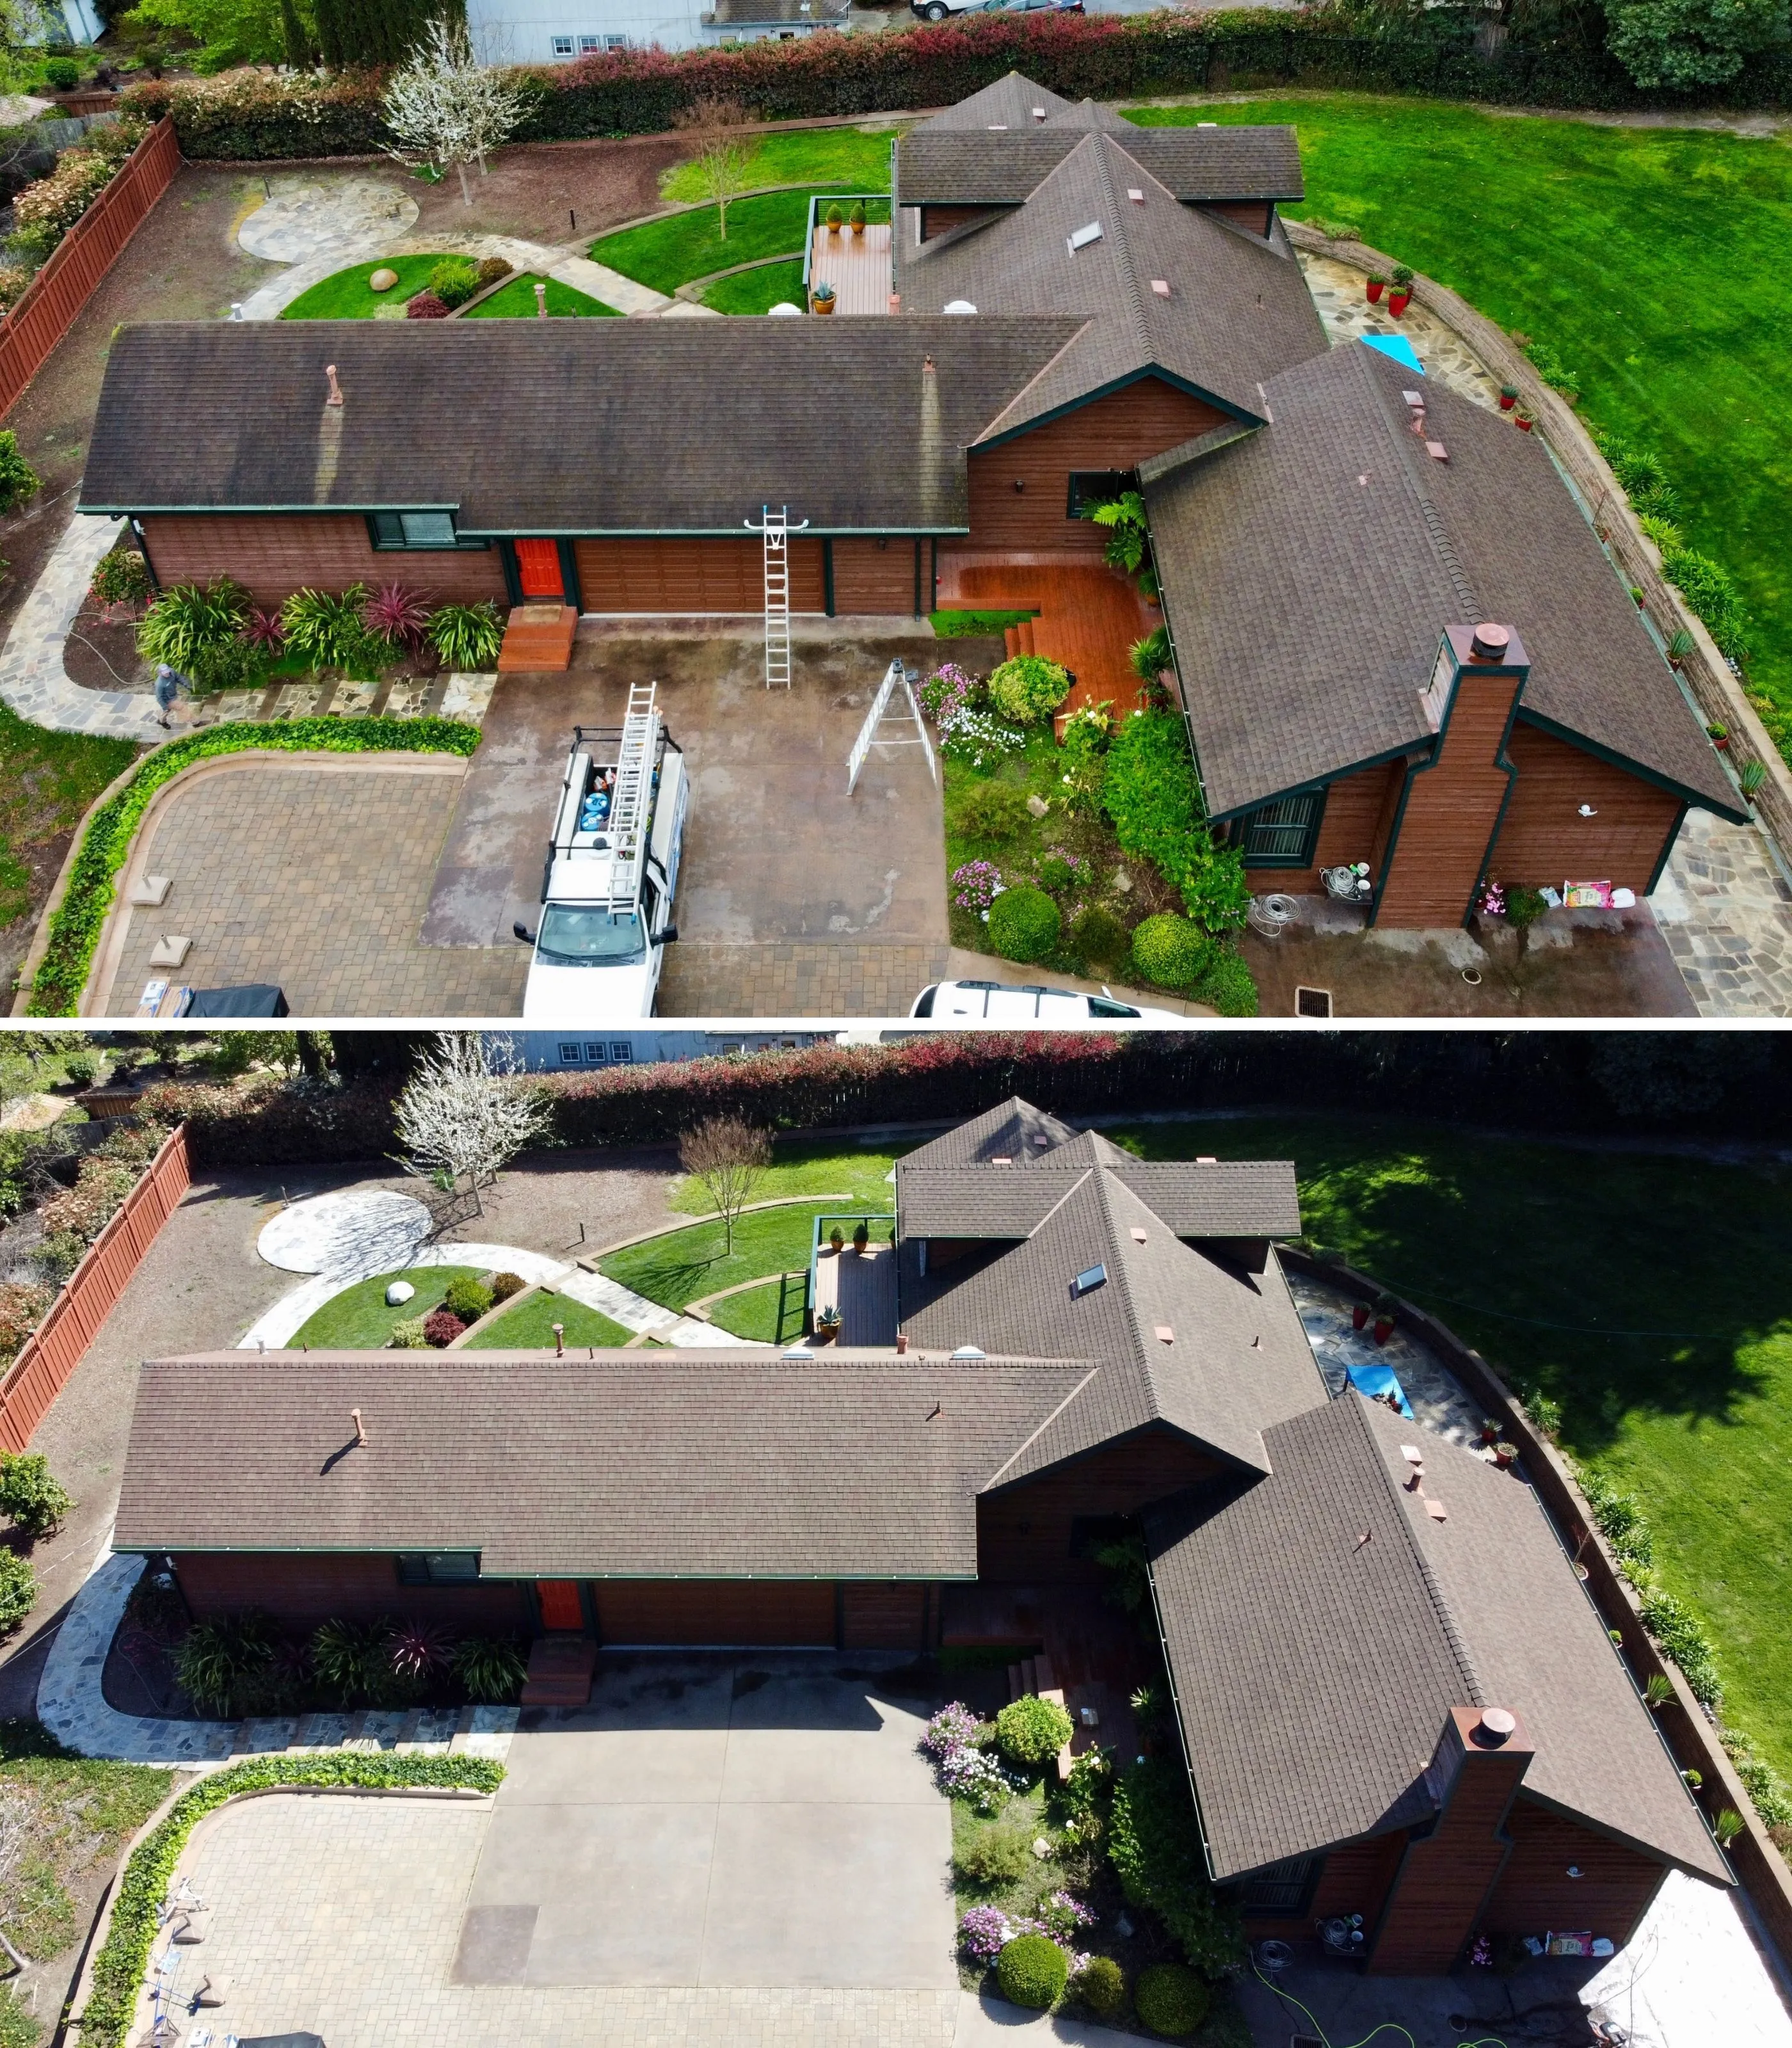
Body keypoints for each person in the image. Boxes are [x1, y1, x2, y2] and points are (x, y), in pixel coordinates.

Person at [153, 663, 189, 730]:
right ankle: (195, 722)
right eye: (165, 673)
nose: (167, 674)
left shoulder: (172, 672)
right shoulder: (159, 684)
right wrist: (165, 706)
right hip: (167, 700)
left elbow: (178, 677)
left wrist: (186, 684)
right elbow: (159, 697)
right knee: (178, 708)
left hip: (173, 696)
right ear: (160, 673)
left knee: (166, 712)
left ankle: (161, 720)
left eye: (168, 672)